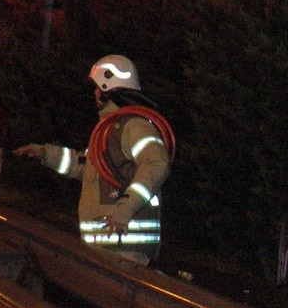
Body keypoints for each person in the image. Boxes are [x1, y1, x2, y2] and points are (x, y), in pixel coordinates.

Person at [13, 54, 172, 266]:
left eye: (97, 88)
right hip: (105, 248)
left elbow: (156, 165)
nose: (94, 94)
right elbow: (86, 165)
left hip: (125, 249)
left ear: (108, 89)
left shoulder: (135, 126)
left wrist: (125, 207)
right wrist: (44, 153)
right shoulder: (108, 131)